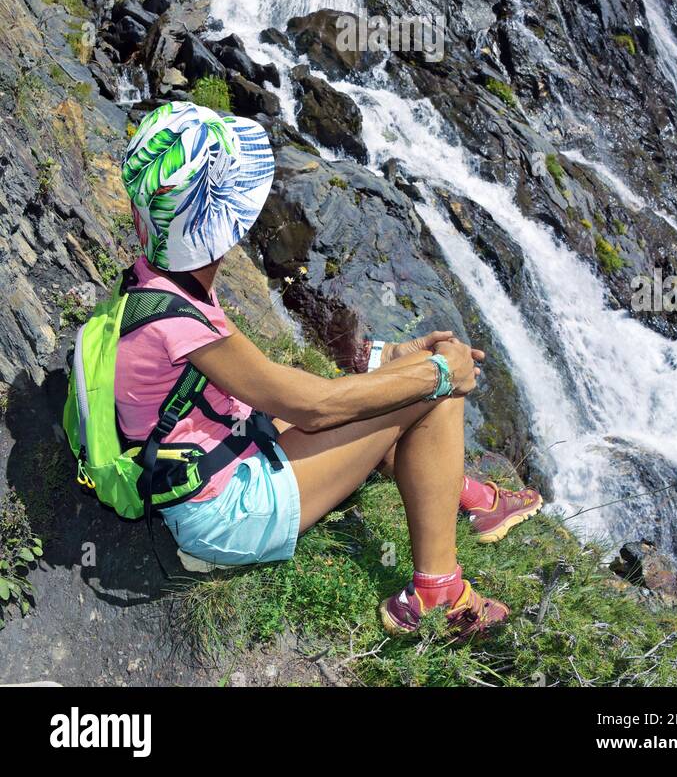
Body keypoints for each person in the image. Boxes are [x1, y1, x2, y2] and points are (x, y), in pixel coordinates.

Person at [117, 101, 542, 639]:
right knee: (431, 390)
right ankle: (440, 590)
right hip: (224, 515)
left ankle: (463, 494)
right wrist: (437, 374)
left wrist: (393, 357)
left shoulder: (158, 281)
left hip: (223, 455)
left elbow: (265, 383)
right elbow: (314, 408)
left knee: (409, 380)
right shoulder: (182, 319)